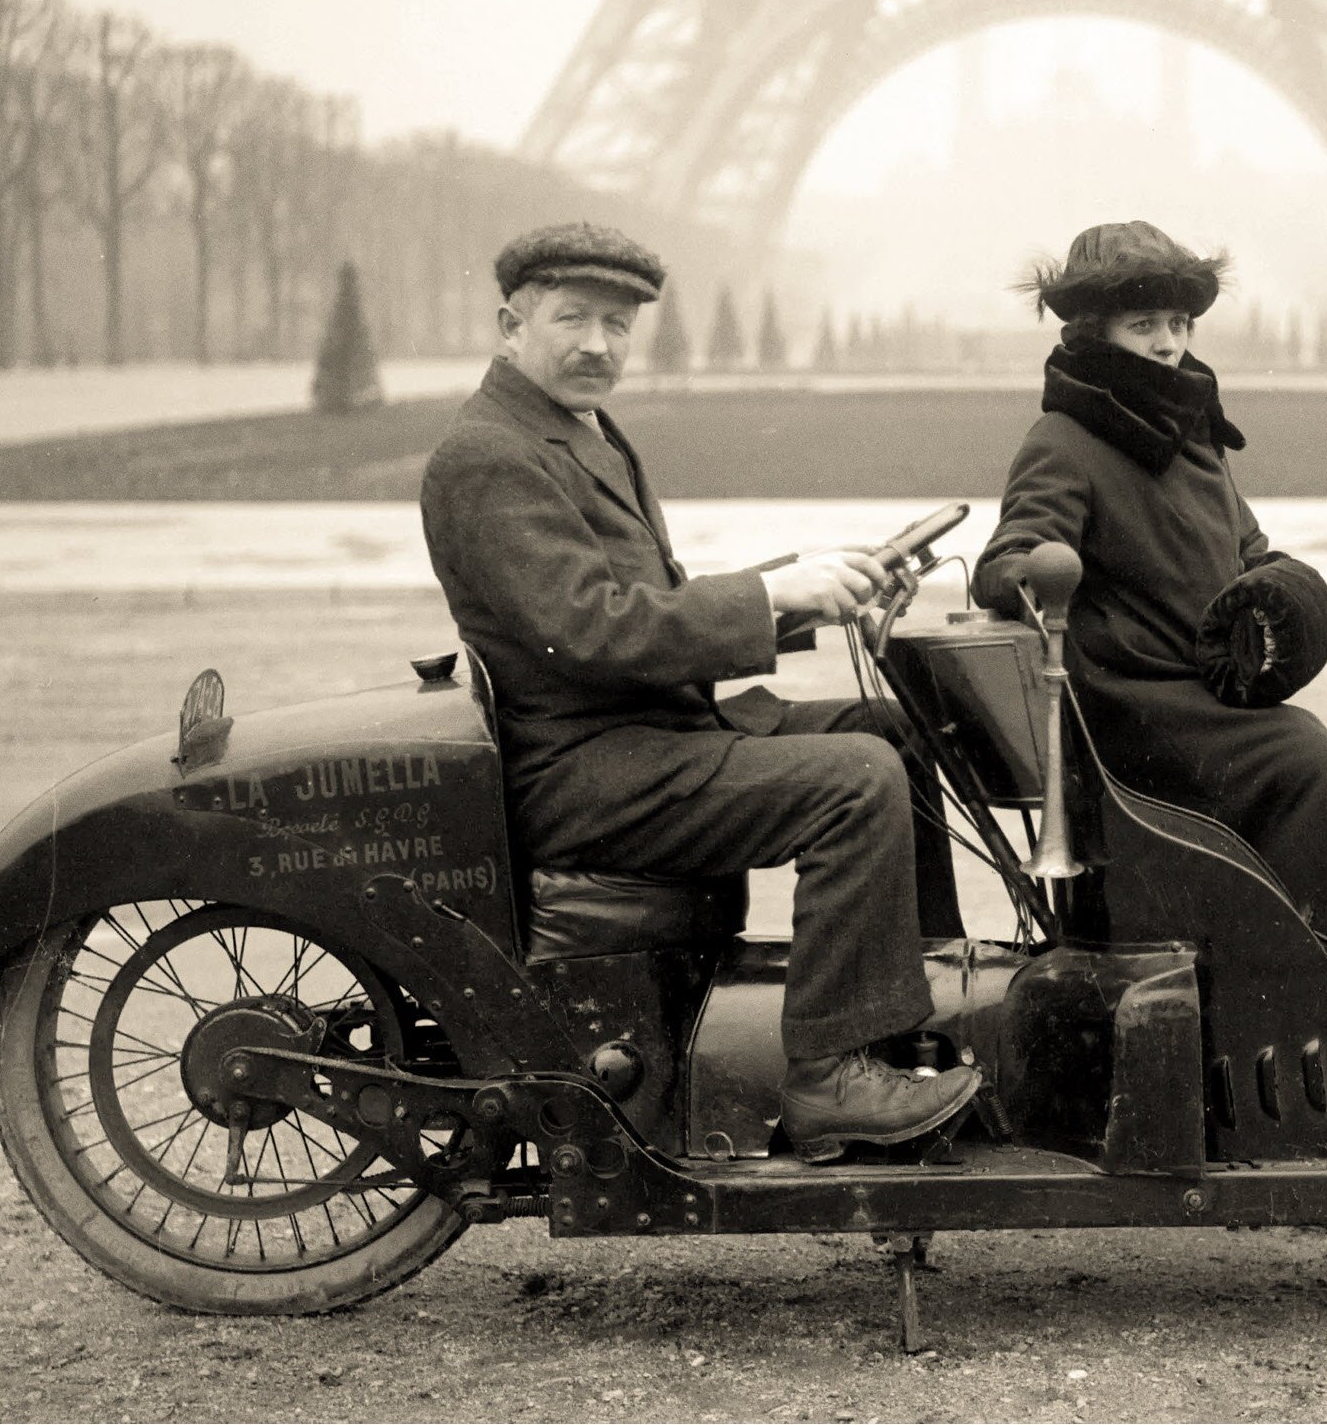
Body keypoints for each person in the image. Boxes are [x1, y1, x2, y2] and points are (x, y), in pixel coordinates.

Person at [418, 221, 978, 1161]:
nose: (600, 344)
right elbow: (591, 628)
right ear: (510, 323)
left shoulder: (568, 429)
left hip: (639, 739)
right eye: (575, 319)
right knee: (855, 779)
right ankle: (831, 1080)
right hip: (588, 772)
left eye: (619, 325)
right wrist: (767, 596)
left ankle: (916, 1011)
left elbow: (651, 606)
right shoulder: (489, 454)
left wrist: (811, 589)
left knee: (893, 729)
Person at [973, 221, 1327, 953]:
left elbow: (1245, 544)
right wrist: (1032, 569)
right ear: (1096, 332)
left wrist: (1279, 581)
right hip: (1135, 710)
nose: (1167, 344)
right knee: (1310, 762)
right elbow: (1007, 558)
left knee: (1304, 753)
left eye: (1179, 324)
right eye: (1144, 324)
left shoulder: (1192, 429)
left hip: (1202, 696)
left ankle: (1320, 955)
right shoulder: (1062, 439)